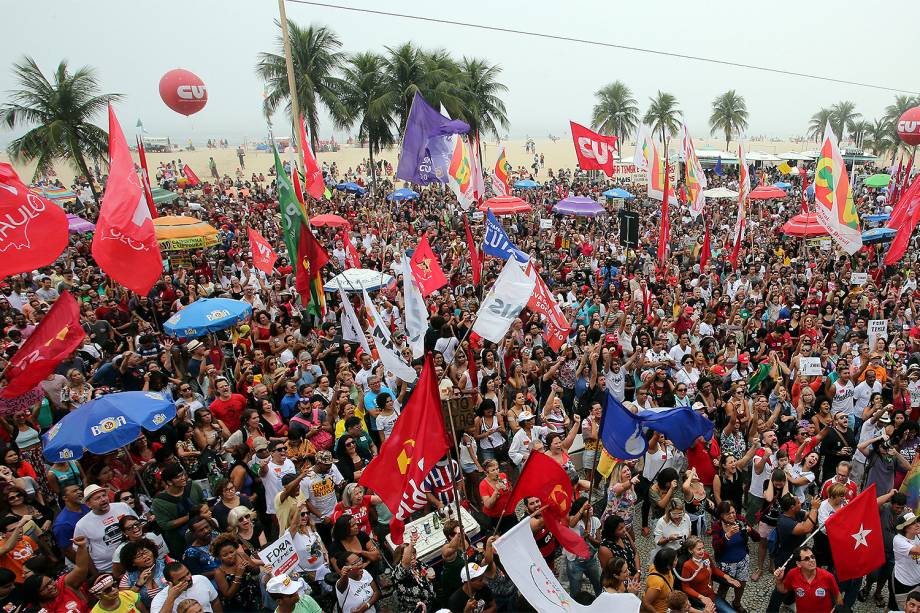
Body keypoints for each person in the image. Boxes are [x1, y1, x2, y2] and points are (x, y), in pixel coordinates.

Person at [72, 484, 137, 573]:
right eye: (97, 498)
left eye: (104, 495)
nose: (103, 499)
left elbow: (138, 525)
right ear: (88, 504)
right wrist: (96, 574)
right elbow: (83, 553)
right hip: (109, 569)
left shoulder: (122, 506)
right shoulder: (82, 525)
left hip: (136, 559)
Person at [772, 545, 842, 613]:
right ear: (798, 564)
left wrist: (837, 610)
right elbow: (783, 590)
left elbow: (838, 596)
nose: (812, 560)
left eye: (812, 557)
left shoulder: (827, 576)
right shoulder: (792, 574)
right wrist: (778, 580)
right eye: (806, 559)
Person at [149, 562, 222, 613]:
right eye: (182, 578)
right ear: (169, 583)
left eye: (188, 573)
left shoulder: (200, 579)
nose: (188, 578)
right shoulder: (159, 599)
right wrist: (171, 598)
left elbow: (215, 601)